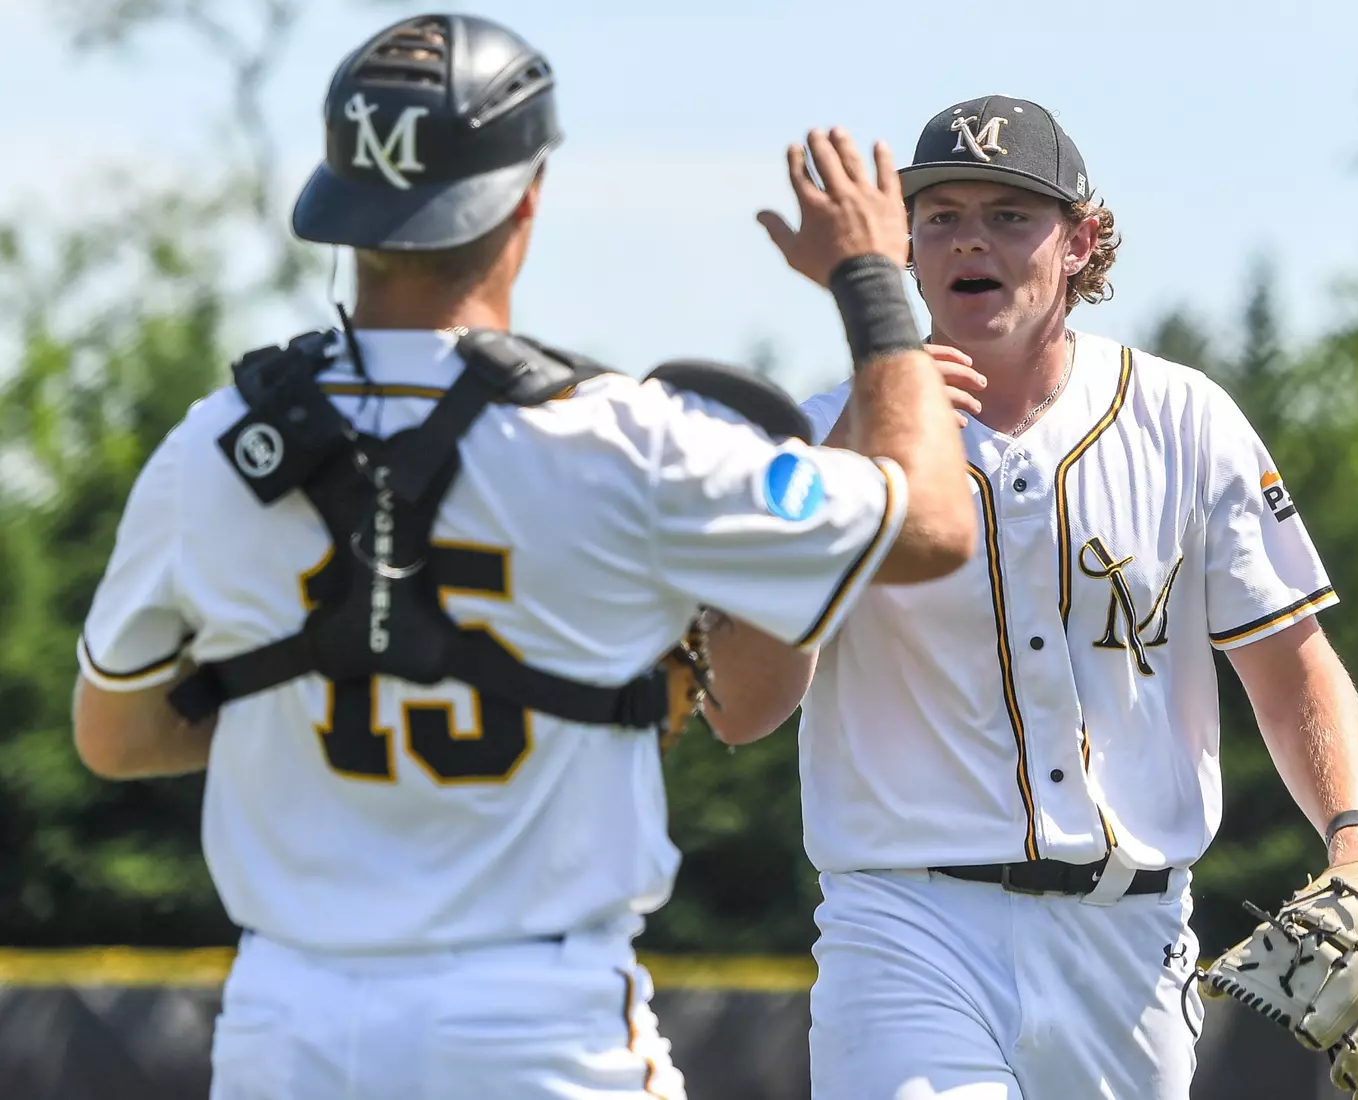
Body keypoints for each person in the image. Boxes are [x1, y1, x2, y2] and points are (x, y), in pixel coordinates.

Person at [69, 13, 975, 1100]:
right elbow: (927, 527)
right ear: (526, 197)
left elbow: (115, 735)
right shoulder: (623, 442)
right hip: (537, 1030)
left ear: (343, 199)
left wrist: (328, 682)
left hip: (286, 1024)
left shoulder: (210, 447)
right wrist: (875, 281)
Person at [704, 94, 1358, 1099]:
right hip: (908, 929)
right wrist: (844, 480)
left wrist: (1355, 831)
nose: (970, 239)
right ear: (906, 247)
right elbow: (739, 704)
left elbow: (1289, 665)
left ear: (1080, 240)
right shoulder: (824, 435)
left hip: (1129, 949)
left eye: (1009, 214)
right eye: (942, 213)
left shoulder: (1182, 419)